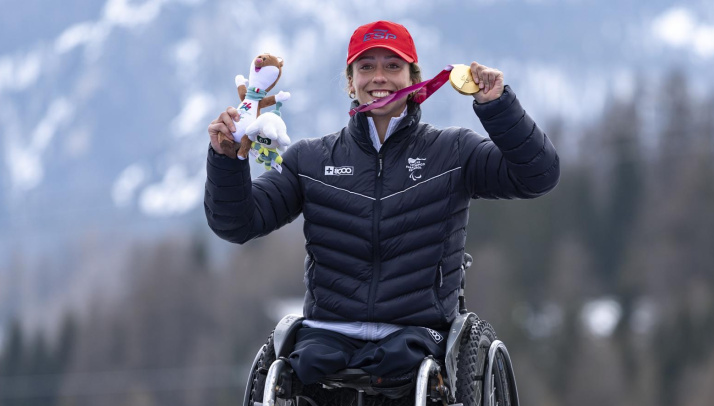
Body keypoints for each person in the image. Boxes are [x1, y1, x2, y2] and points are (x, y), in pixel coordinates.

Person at [205, 20, 560, 386]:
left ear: (413, 77)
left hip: (417, 336)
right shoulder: (309, 161)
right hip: (326, 334)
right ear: (350, 81)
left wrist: (498, 106)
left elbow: (538, 176)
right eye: (366, 66)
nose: (379, 77)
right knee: (298, 367)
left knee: (399, 361)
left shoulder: (453, 152)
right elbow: (237, 223)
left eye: (393, 66)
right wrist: (226, 160)